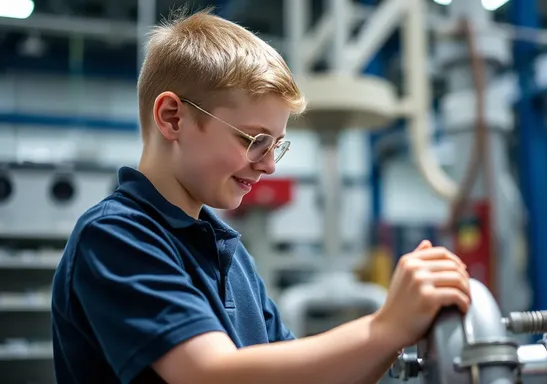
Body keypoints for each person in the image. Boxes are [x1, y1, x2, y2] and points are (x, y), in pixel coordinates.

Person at [50, 7, 471, 384]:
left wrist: (396, 336)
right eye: (254, 140)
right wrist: (383, 328)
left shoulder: (232, 258)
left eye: (276, 145)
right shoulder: (116, 236)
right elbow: (207, 374)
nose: (269, 165)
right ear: (172, 117)